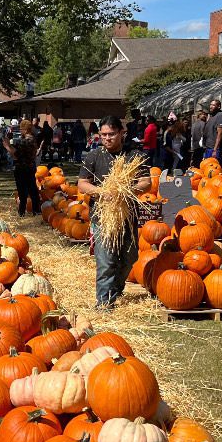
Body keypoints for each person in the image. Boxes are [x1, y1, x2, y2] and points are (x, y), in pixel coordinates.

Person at [78, 117, 151, 309]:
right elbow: (82, 184)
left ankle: (116, 289)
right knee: (106, 260)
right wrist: (103, 192)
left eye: (111, 134)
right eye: (103, 134)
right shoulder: (94, 156)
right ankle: (103, 304)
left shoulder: (133, 156)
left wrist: (126, 190)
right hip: (103, 217)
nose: (107, 138)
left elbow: (146, 182)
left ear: (121, 133)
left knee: (129, 257)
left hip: (127, 216)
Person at [11, 124, 41, 216]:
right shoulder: (32, 140)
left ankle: (22, 211)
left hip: (22, 167)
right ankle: (36, 210)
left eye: (21, 129)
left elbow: (16, 155)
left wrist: (8, 146)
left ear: (26, 130)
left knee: (23, 190)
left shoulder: (26, 141)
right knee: (32, 188)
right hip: (30, 166)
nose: (20, 131)